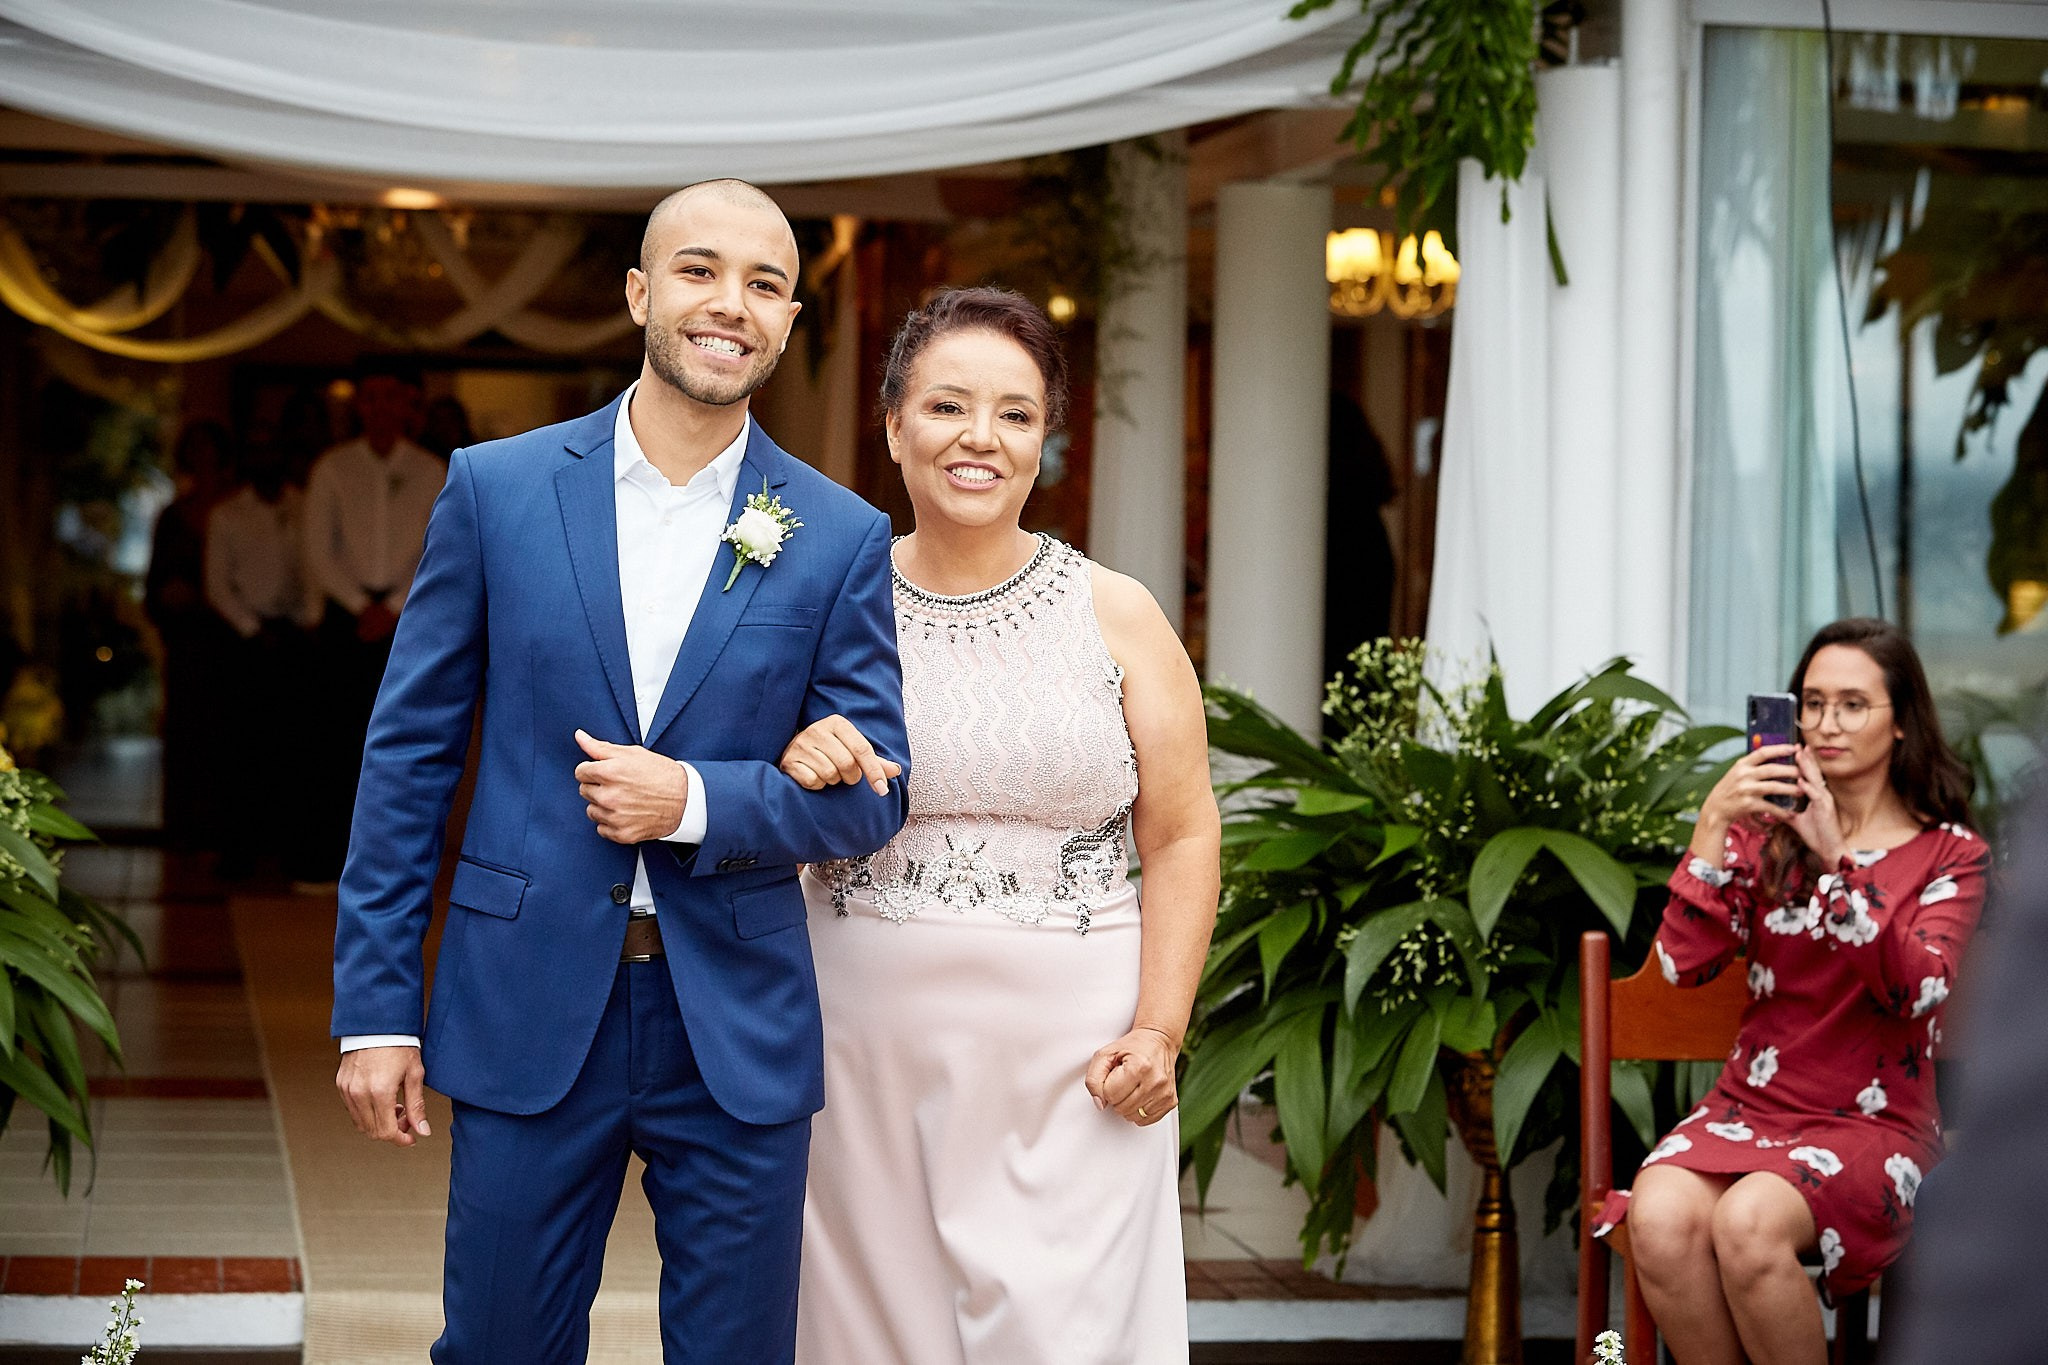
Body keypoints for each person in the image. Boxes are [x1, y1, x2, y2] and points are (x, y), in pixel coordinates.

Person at [330, 179, 909, 1364]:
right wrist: (376, 1009)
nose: (729, 305)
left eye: (764, 285)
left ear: (791, 320)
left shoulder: (838, 531)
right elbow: (408, 758)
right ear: (641, 293)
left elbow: (871, 792)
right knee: (496, 1348)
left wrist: (695, 798)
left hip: (734, 1024)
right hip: (525, 1000)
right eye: (698, 271)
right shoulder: (495, 490)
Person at [787, 287, 1221, 1363]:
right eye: (946, 407)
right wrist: (792, 763)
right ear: (892, 426)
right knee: (872, 1330)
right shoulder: (821, 607)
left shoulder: (1114, 610)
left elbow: (1180, 833)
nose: (980, 438)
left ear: (1044, 440)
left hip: (1073, 1057)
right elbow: (755, 799)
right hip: (859, 1043)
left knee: (1059, 1330)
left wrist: (1159, 1029)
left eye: (1016, 414)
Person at [1600, 618, 1988, 1365]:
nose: (1824, 723)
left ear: (1902, 722)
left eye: (1851, 704)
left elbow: (1917, 989)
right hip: (1750, 1109)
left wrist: (1836, 856)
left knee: (1748, 1221)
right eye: (1811, 703)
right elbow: (1682, 967)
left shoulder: (1951, 855)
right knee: (1659, 1216)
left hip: (1876, 1126)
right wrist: (1714, 823)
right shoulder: (1758, 835)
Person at [299, 363, 444, 883]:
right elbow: (318, 548)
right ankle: (324, 860)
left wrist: (397, 606)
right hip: (347, 617)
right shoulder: (333, 468)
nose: (381, 407)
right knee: (334, 741)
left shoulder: (432, 469)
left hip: (410, 616)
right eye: (371, 397)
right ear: (359, 406)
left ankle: (396, 866)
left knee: (404, 742)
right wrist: (360, 605)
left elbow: (440, 548)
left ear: (407, 405)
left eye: (392, 396)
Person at [203, 432, 321, 878]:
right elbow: (218, 584)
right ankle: (240, 851)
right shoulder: (228, 514)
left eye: (273, 449)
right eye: (257, 450)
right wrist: (253, 630)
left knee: (294, 749)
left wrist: (309, 620)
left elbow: (315, 568)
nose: (266, 458)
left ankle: (292, 850)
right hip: (246, 642)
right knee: (242, 749)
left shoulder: (305, 503)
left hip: (297, 638)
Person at [145, 419, 234, 851]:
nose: (201, 455)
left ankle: (223, 830)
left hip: (232, 637)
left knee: (228, 733)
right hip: (188, 641)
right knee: (184, 732)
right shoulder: (172, 516)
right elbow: (154, 586)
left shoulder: (239, 510)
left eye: (208, 445)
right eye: (193, 447)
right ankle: (180, 831)